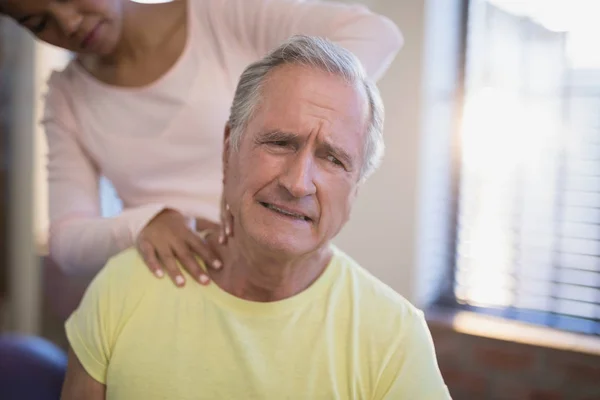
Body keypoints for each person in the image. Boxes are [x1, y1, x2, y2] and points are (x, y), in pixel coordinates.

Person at [60, 35, 451, 399]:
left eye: (333, 159)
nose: (298, 183)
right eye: (280, 143)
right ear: (230, 149)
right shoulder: (124, 286)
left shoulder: (395, 337)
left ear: (356, 189)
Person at [0, 0, 403, 288]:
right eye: (40, 22)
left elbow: (376, 34)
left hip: (276, 276)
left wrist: (285, 111)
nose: (68, 22)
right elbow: (67, 244)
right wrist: (145, 222)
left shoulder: (221, 12)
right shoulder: (66, 97)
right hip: (166, 289)